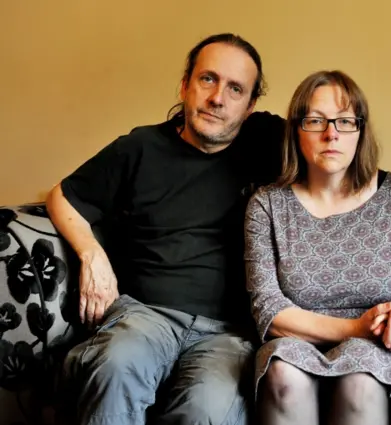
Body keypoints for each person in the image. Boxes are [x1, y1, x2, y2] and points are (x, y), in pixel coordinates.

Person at [46, 33, 284, 425]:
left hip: (227, 334)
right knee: (117, 365)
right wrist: (92, 254)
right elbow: (63, 196)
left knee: (210, 408)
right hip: (144, 315)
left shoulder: (268, 143)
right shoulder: (140, 147)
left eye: (235, 88)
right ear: (185, 84)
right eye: (208, 79)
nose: (218, 98)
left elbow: (335, 142)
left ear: (250, 105)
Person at [243, 70, 391, 425]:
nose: (331, 134)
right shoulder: (267, 205)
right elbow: (269, 310)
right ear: (296, 130)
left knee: (360, 380)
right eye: (315, 121)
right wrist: (356, 327)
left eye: (345, 121)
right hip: (297, 343)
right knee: (283, 377)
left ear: (361, 130)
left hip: (379, 346)